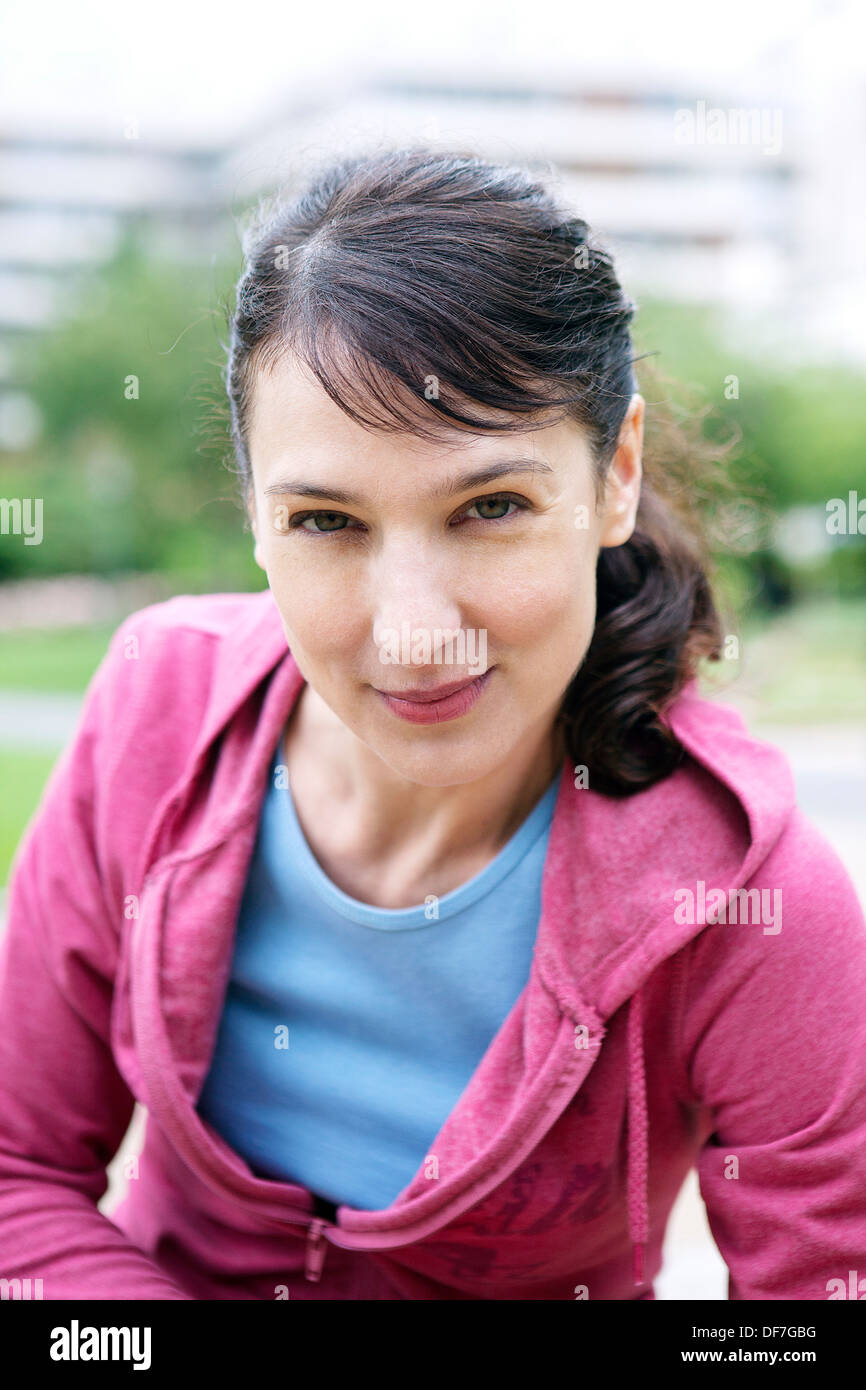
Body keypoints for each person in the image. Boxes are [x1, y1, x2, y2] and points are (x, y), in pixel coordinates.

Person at [1, 146, 864, 1301]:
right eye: (326, 521)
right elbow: (17, 1175)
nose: (412, 633)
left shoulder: (751, 902)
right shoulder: (155, 705)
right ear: (252, 511)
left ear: (613, 474)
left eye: (489, 507)